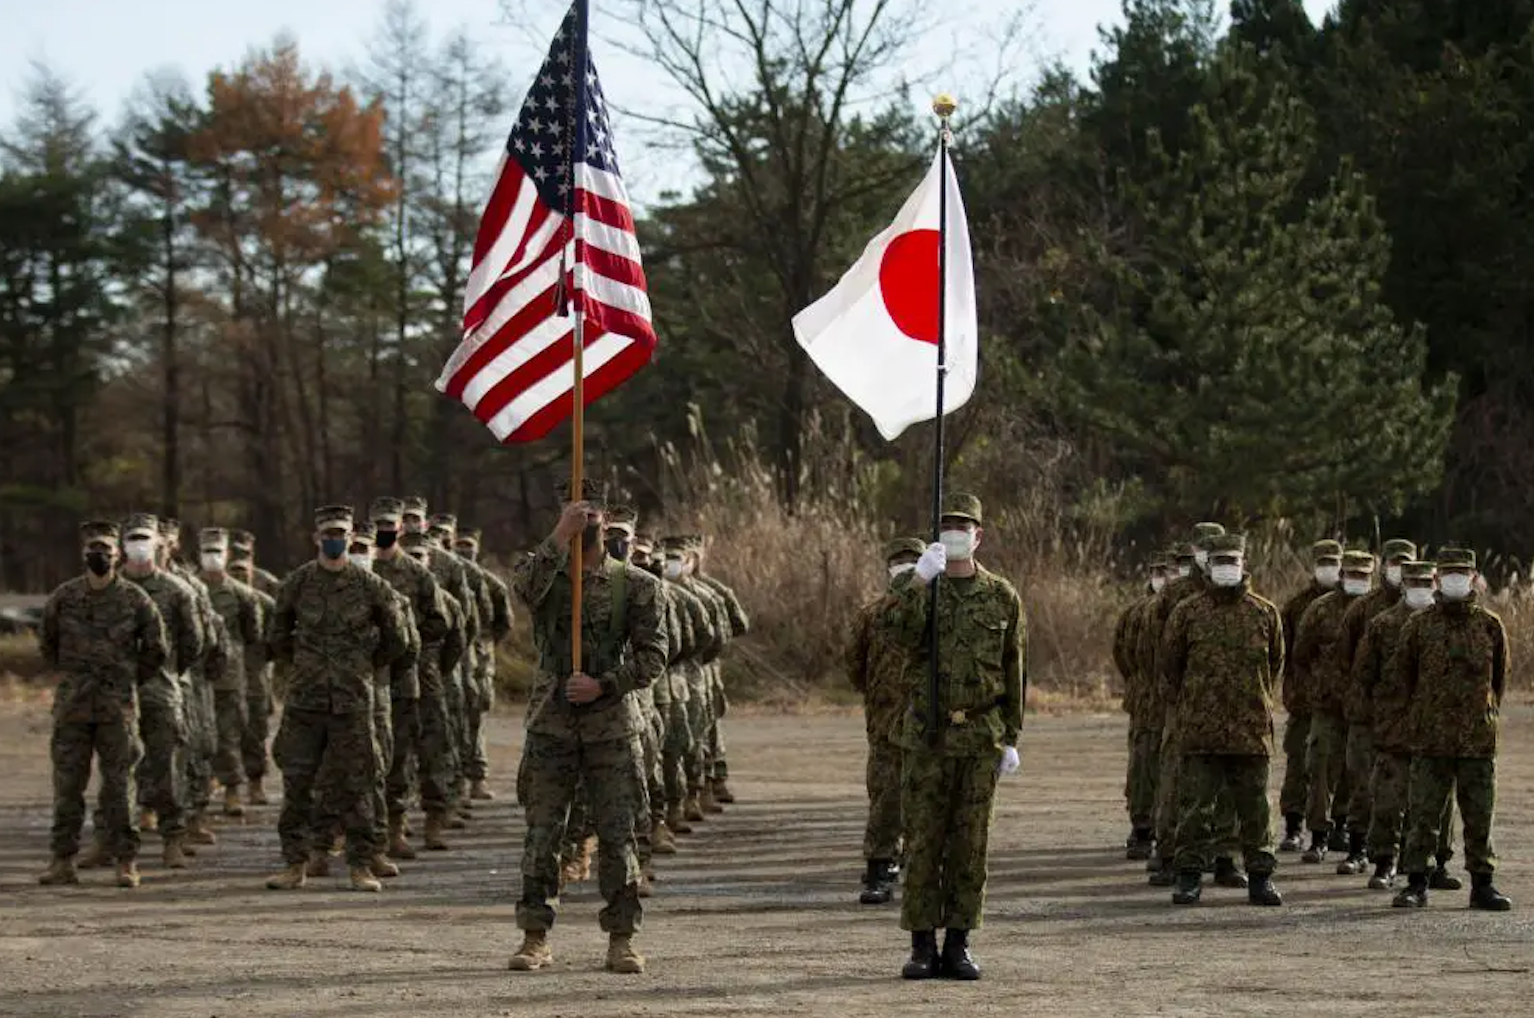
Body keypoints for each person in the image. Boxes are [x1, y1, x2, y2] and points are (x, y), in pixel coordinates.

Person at [507, 481, 666, 975]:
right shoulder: (548, 575)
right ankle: (535, 936)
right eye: (575, 506)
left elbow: (653, 657)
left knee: (619, 836)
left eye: (593, 508)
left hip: (611, 726)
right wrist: (559, 535)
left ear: (607, 515)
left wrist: (604, 684)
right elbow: (523, 589)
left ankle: (622, 938)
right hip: (551, 723)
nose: (585, 515)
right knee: (543, 832)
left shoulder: (637, 585)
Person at [887, 493, 1025, 982]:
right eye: (946, 526)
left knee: (971, 844)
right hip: (927, 734)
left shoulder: (1003, 596)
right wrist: (919, 579)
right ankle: (922, 944)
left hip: (980, 737)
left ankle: (959, 944)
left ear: (979, 536)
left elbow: (1014, 670)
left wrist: (1011, 735)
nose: (955, 534)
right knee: (924, 841)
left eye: (963, 527)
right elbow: (893, 634)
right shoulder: (919, 586)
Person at [264, 505, 410, 893]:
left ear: (350, 537)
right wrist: (303, 667)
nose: (334, 539)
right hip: (306, 701)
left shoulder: (369, 585)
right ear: (316, 538)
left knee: (358, 784)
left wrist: (364, 665)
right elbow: (277, 634)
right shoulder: (298, 583)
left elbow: (399, 638)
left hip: (353, 701)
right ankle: (295, 864)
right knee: (297, 783)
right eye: (328, 533)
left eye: (341, 533)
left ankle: (360, 864)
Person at [37, 521, 170, 889]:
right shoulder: (64, 597)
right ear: (85, 553)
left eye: (107, 550)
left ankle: (125, 862)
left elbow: (157, 650)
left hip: (117, 709)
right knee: (67, 788)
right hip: (73, 709)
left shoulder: (135, 599)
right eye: (94, 549)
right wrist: (70, 680)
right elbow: (47, 644)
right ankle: (62, 860)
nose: (101, 556)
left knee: (119, 788)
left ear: (118, 554)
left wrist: (127, 680)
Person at [1159, 533, 1285, 906]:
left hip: (1251, 730)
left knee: (1255, 808)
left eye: (1233, 561)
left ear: (1244, 564)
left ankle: (1260, 877)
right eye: (1220, 562)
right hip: (1200, 731)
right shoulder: (1188, 613)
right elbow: (1170, 669)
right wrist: (1191, 710)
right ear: (1208, 566)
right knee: (1195, 807)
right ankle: (1189, 876)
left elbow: (1274, 665)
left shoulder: (1264, 613)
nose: (1227, 568)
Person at [1389, 548, 1512, 911]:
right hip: (1430, 738)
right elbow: (1403, 677)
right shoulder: (1419, 625)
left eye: (1464, 573)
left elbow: (1499, 681)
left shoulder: (1489, 626)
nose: (1457, 580)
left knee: (1479, 815)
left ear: (1474, 578)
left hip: (1477, 740)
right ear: (1438, 579)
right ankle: (1416, 882)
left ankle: (1483, 884)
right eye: (1450, 573)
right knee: (1423, 814)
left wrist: (1483, 716)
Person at [1353, 560, 1455, 890]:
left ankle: (1436, 864)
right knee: (1388, 799)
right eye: (1415, 581)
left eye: (1427, 581)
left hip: (1437, 731)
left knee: (1436, 804)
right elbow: (1363, 673)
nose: (1422, 587)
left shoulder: (1450, 625)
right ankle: (1384, 862)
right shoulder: (1381, 625)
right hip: (1394, 728)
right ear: (1403, 584)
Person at [117, 513, 205, 869]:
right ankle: (116, 843)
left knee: (167, 768)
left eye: (145, 538)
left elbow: (194, 643)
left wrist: (168, 672)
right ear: (123, 545)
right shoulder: (112, 588)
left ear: (158, 543)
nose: (139, 545)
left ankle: (172, 838)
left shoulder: (177, 590)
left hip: (162, 691)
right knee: (118, 771)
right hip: (119, 694)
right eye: (133, 538)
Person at [368, 497, 453, 859]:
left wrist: (405, 638)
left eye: (391, 525)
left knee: (406, 752)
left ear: (401, 528)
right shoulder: (361, 568)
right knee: (367, 755)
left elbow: (442, 622)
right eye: (380, 525)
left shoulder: (417, 573)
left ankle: (402, 825)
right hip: (366, 679)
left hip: (408, 678)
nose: (386, 532)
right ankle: (358, 830)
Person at [846, 536, 924, 905]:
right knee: (885, 795)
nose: (906, 566)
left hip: (926, 720)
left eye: (914, 560)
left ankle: (921, 863)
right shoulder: (871, 614)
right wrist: (878, 695)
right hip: (884, 721)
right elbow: (853, 664)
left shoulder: (936, 613)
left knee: (925, 793)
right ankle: (878, 865)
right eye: (900, 561)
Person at [1334, 539, 1415, 874]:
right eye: (1395, 563)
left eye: (1406, 564)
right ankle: (1358, 849)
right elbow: (1346, 658)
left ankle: (1411, 859)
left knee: (1413, 791)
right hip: (1369, 715)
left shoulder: (1428, 613)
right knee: (1364, 784)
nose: (1399, 570)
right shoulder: (1366, 610)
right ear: (1383, 565)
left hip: (1416, 718)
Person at [1293, 550, 1375, 863]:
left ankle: (1352, 836)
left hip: (1365, 709)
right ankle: (1318, 836)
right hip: (1327, 706)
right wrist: (1318, 686)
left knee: (1360, 774)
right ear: (1342, 575)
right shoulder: (1320, 609)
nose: (1358, 581)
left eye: (1364, 575)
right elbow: (1300, 654)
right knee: (1320, 770)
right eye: (1352, 574)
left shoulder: (1379, 610)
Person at [1276, 539, 1342, 851]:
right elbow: (1285, 653)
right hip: (1304, 700)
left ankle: (1338, 827)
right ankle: (1293, 825)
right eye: (1324, 562)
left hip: (1341, 704)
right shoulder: (1297, 606)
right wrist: (1293, 690)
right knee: (1298, 764)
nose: (1329, 567)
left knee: (1338, 767)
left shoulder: (1356, 604)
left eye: (1334, 561)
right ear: (1313, 565)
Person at [197, 528, 263, 818]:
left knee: (229, 734)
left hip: (229, 675)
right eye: (207, 551)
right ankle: (196, 797)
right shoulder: (190, 589)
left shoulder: (243, 594)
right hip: (196, 674)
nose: (213, 557)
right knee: (196, 736)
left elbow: (253, 634)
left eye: (217, 552)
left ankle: (233, 790)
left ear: (226, 555)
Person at [453, 526, 515, 801]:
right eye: (460, 545)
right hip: (454, 659)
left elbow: (504, 621)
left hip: (479, 658)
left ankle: (477, 777)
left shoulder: (490, 584)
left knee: (476, 716)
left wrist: (486, 645)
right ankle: (454, 783)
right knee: (452, 718)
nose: (464, 551)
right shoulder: (444, 575)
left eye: (469, 545)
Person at [1115, 557, 1166, 860]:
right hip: (1146, 700)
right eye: (1159, 572)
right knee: (1142, 766)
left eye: (1169, 571)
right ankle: (1142, 827)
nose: (1164, 577)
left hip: (1177, 702)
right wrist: (1140, 684)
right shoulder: (1135, 612)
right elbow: (1123, 653)